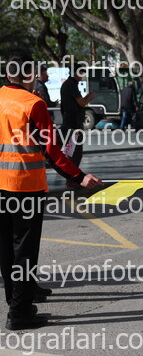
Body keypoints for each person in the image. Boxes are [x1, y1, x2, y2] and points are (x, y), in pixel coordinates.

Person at [0, 51, 102, 330]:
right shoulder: (34, 105)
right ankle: (19, 313)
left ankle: (19, 299)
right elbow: (52, 151)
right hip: (26, 187)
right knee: (25, 250)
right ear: (31, 75)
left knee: (6, 248)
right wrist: (79, 176)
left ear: (8, 74)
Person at [60, 62, 95, 172]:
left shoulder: (70, 84)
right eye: (80, 73)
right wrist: (90, 97)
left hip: (71, 122)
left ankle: (71, 175)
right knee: (75, 153)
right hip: (73, 124)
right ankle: (72, 176)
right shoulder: (71, 85)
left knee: (72, 152)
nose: (82, 75)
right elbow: (81, 102)